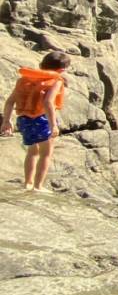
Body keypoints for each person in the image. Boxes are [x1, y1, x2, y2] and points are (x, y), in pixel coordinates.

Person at [1, 50, 70, 191]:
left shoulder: (24, 80)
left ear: (42, 64)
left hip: (24, 120)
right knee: (46, 154)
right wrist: (53, 125)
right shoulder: (56, 81)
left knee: (32, 152)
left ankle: (28, 183)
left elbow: (10, 101)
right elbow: (48, 103)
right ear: (62, 70)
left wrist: (6, 121)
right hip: (42, 120)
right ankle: (38, 186)